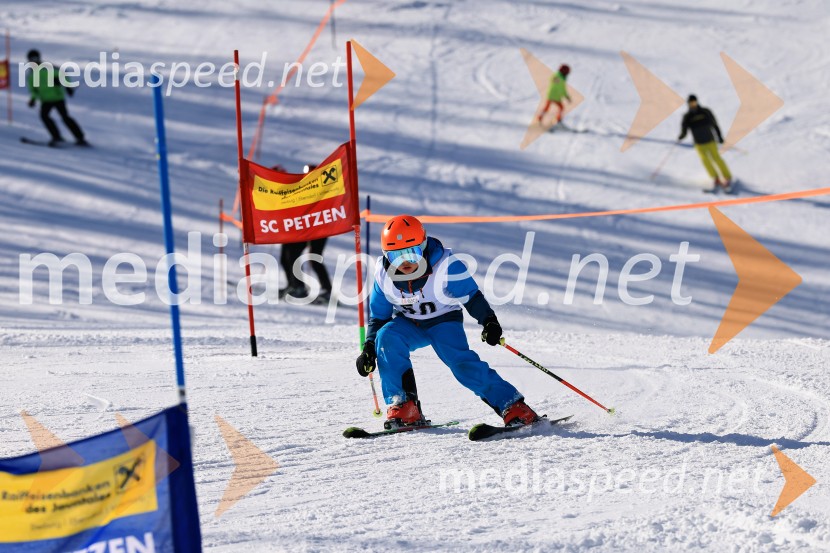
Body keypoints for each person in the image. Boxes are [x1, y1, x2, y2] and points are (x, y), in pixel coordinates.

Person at [355, 215, 540, 429]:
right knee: (386, 337)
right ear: (386, 255)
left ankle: (514, 407)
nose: (405, 262)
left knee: (461, 363)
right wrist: (369, 347)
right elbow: (379, 316)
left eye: (411, 254)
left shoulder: (445, 264)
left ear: (423, 247)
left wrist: (489, 322)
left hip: (443, 321)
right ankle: (404, 407)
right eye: (396, 256)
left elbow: (471, 296)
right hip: (409, 324)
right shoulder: (382, 275)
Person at [278, 164, 333, 303]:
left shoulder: (323, 191)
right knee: (288, 256)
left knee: (314, 258)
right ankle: (295, 285)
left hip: (319, 230)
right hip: (304, 230)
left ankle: (325, 291)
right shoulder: (303, 189)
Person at [25, 49, 88, 147]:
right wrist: (33, 99)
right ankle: (57, 137)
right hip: (45, 100)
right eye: (31, 59)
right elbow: (33, 89)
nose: (34, 61)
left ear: (39, 58)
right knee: (44, 116)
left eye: (35, 58)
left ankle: (80, 138)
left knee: (65, 117)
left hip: (57, 97)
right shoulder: (31, 75)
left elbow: (63, 74)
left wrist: (67, 86)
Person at [678, 94, 733, 192]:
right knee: (705, 160)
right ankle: (716, 178)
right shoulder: (687, 117)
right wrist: (682, 135)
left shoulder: (705, 112)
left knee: (716, 158)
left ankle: (727, 177)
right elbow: (684, 129)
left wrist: (719, 136)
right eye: (691, 103)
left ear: (697, 102)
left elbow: (714, 124)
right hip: (699, 143)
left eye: (694, 102)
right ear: (688, 104)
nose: (693, 104)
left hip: (710, 140)